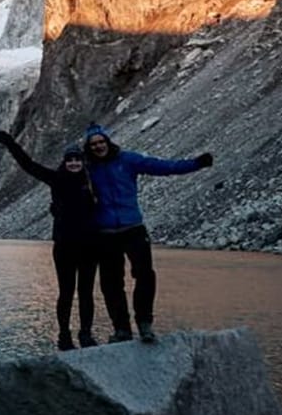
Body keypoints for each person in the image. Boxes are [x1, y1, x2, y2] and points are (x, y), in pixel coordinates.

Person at [83, 123, 212, 344]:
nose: (98, 146)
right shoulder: (86, 168)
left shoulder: (127, 160)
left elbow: (163, 167)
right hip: (105, 233)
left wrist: (196, 164)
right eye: (93, 144)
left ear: (108, 141)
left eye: (101, 142)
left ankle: (144, 323)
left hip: (132, 228)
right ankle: (122, 328)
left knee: (144, 275)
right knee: (111, 283)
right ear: (88, 147)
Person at [0, 131, 100, 351]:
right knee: (66, 291)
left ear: (82, 161)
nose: (73, 163)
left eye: (77, 159)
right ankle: (64, 336)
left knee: (86, 292)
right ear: (65, 161)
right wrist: (10, 143)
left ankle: (86, 334)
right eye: (69, 159)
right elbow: (28, 164)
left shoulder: (93, 181)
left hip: (90, 245)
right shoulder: (56, 179)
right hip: (64, 246)